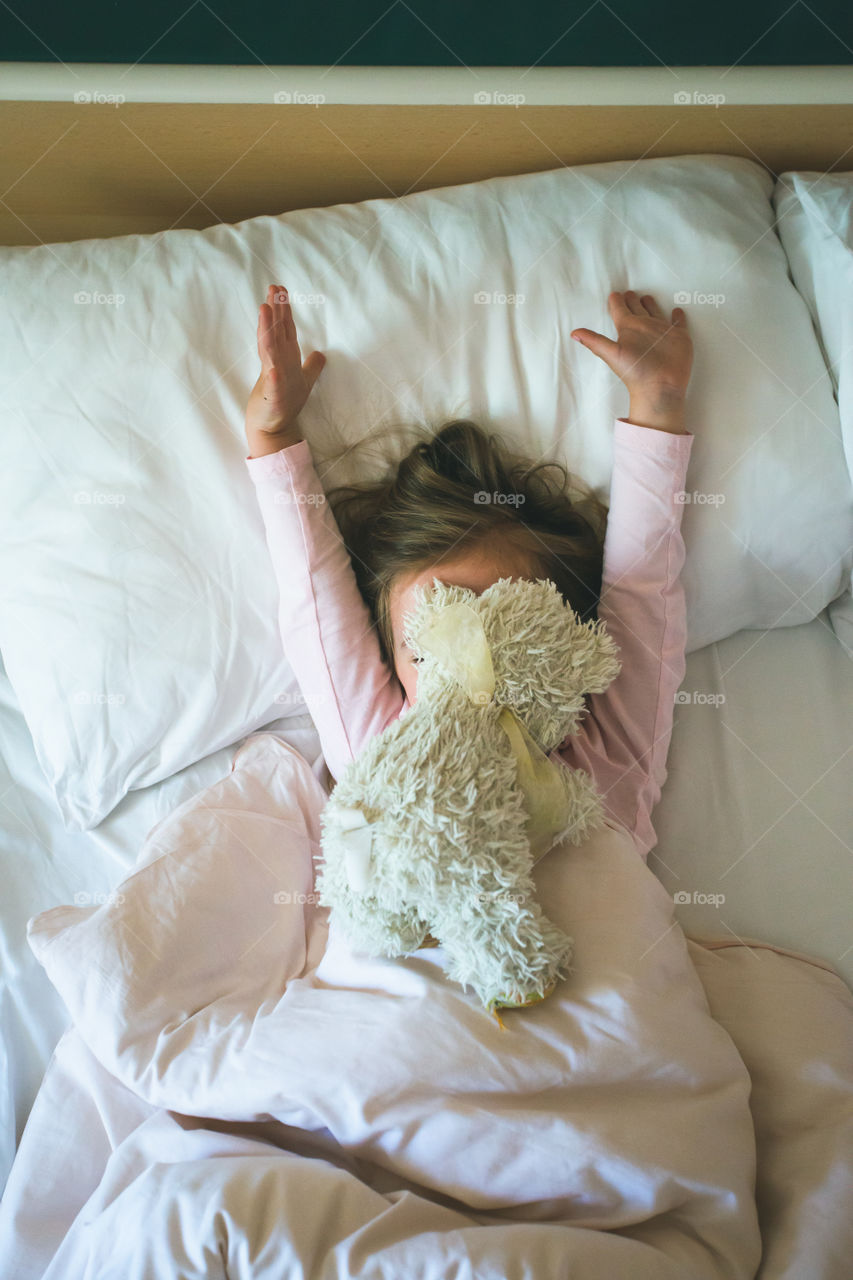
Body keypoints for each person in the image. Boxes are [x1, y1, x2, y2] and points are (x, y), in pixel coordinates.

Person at [244, 285, 694, 862]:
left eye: (500, 619)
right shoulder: (381, 745)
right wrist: (273, 435)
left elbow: (642, 593)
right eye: (425, 649)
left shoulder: (604, 756)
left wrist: (658, 402)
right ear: (391, 664)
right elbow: (317, 607)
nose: (471, 657)